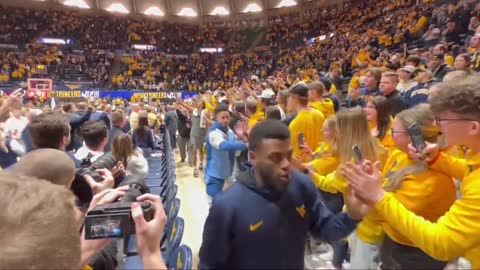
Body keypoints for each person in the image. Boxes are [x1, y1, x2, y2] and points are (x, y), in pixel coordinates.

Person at [342, 74, 480, 268]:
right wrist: (439, 159)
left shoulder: (434, 184)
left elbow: (442, 243)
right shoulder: (472, 159)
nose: (437, 125)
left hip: (415, 252)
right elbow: (469, 172)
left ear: (473, 127)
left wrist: (377, 196)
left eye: (443, 119)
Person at [199, 120, 366, 269]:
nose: (286, 164)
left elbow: (326, 230)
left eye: (289, 155)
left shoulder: (302, 185)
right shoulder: (227, 206)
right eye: (275, 158)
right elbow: (209, 264)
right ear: (253, 158)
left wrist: (353, 215)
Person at [378, 104, 456, 269]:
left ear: (414, 137)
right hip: (392, 239)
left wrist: (369, 192)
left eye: (394, 132)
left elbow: (393, 214)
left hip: (416, 251)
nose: (390, 137)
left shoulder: (432, 181)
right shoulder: (399, 155)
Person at [204, 103, 248, 200]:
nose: (226, 120)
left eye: (227, 117)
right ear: (216, 118)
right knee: (216, 209)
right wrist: (246, 145)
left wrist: (243, 137)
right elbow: (224, 146)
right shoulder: (214, 133)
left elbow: (236, 151)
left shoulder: (230, 131)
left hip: (228, 176)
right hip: (214, 178)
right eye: (222, 118)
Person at [288, 83, 325, 161]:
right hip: (320, 162)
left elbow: (297, 154)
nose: (288, 101)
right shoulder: (319, 114)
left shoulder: (295, 123)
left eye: (289, 97)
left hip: (306, 167)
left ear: (295, 98)